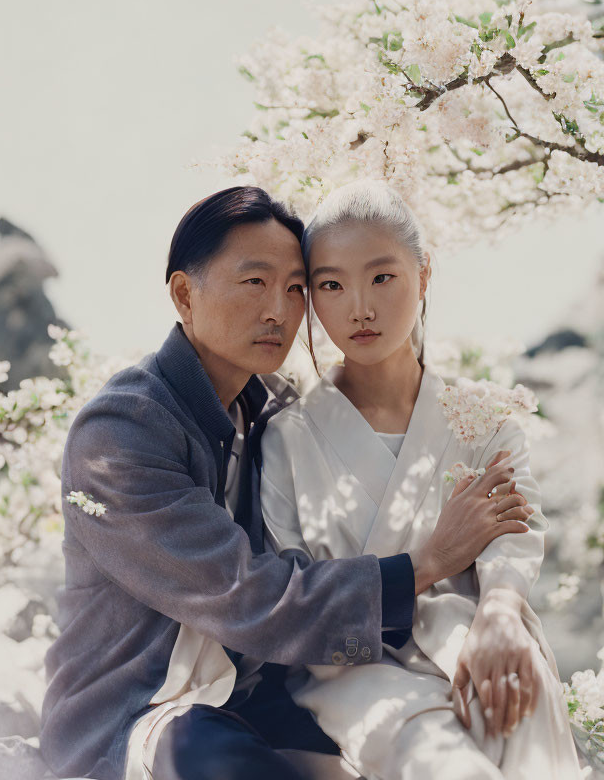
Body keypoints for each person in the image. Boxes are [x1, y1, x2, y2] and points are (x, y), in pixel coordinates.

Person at [40, 186, 532, 780]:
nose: (279, 308)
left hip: (263, 698)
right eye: (254, 283)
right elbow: (246, 593)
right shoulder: (123, 430)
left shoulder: (274, 414)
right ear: (184, 294)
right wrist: (425, 563)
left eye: (297, 288)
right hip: (142, 713)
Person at [259, 179, 582, 780]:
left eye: (382, 277)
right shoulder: (288, 438)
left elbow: (515, 528)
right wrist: (430, 559)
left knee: (516, 696)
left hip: (479, 634)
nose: (359, 306)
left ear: (424, 273)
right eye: (331, 284)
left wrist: (502, 613)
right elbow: (296, 590)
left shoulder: (481, 421)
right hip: (356, 671)